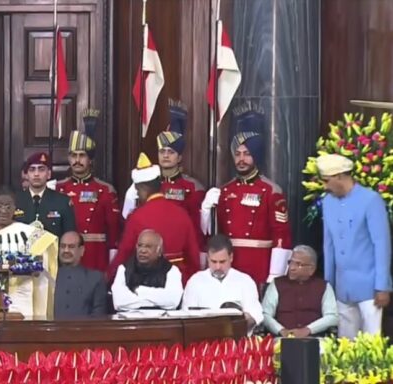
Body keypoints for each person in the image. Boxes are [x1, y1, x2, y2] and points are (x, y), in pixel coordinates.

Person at [200, 106, 292, 285]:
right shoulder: (225, 191)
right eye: (237, 154)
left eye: (247, 154)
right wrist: (205, 211)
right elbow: (210, 233)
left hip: (259, 263)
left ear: (256, 156)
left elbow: (282, 235)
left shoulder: (271, 191)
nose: (241, 159)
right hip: (228, 264)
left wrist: (275, 273)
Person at [317, 153, 391, 338]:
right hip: (342, 288)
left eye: (327, 181)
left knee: (370, 344)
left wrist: (382, 285)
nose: (325, 187)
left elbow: (381, 244)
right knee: (345, 344)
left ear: (340, 176)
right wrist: (328, 286)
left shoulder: (371, 200)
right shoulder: (328, 202)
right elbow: (329, 245)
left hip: (370, 287)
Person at [0, 186, 59, 316]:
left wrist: (33, 267)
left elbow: (45, 252)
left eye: (8, 206)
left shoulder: (26, 232)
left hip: (19, 298)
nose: (3, 210)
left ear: (15, 208)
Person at [107, 153, 200, 283]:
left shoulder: (136, 216)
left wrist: (109, 277)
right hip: (179, 280)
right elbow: (193, 257)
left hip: (147, 281)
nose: (138, 195)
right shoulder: (182, 214)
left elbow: (124, 254)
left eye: (138, 191)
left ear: (144, 189)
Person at [122, 100, 206, 242]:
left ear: (179, 157)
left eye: (170, 152)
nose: (166, 155)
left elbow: (195, 227)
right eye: (162, 151)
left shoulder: (192, 187)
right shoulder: (147, 183)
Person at [56, 113, 121, 272]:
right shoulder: (58, 188)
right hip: (66, 255)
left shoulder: (105, 190)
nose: (77, 160)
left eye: (82, 155)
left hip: (95, 256)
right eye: (73, 156)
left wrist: (112, 264)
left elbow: (114, 231)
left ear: (90, 160)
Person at [182, 235, 263, 330]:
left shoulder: (245, 281)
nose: (218, 267)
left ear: (231, 257)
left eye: (222, 262)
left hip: (237, 339)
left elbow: (256, 315)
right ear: (207, 258)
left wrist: (243, 319)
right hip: (204, 339)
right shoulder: (195, 281)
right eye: (214, 261)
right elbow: (186, 316)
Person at [262, 245, 338, 337]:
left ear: (311, 269)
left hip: (314, 339)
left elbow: (332, 316)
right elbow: (265, 315)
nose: (291, 268)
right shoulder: (277, 284)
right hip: (282, 339)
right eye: (290, 262)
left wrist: (308, 330)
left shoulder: (323, 286)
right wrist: (281, 330)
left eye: (298, 264)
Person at [111, 230, 183, 311]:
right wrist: (156, 302)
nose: (142, 250)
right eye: (140, 245)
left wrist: (139, 290)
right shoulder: (124, 269)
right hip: (130, 321)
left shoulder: (171, 270)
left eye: (148, 247)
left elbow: (172, 302)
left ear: (159, 251)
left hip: (161, 321)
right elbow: (119, 302)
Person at [15, 152, 76, 238]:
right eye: (32, 169)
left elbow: (69, 236)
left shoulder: (62, 202)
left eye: (41, 169)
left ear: (49, 174)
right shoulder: (15, 201)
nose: (36, 174)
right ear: (26, 175)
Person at [54, 231, 107, 317]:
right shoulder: (49, 277)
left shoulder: (95, 278)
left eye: (71, 247)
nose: (66, 250)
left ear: (81, 250)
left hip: (85, 329)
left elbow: (99, 316)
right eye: (63, 246)